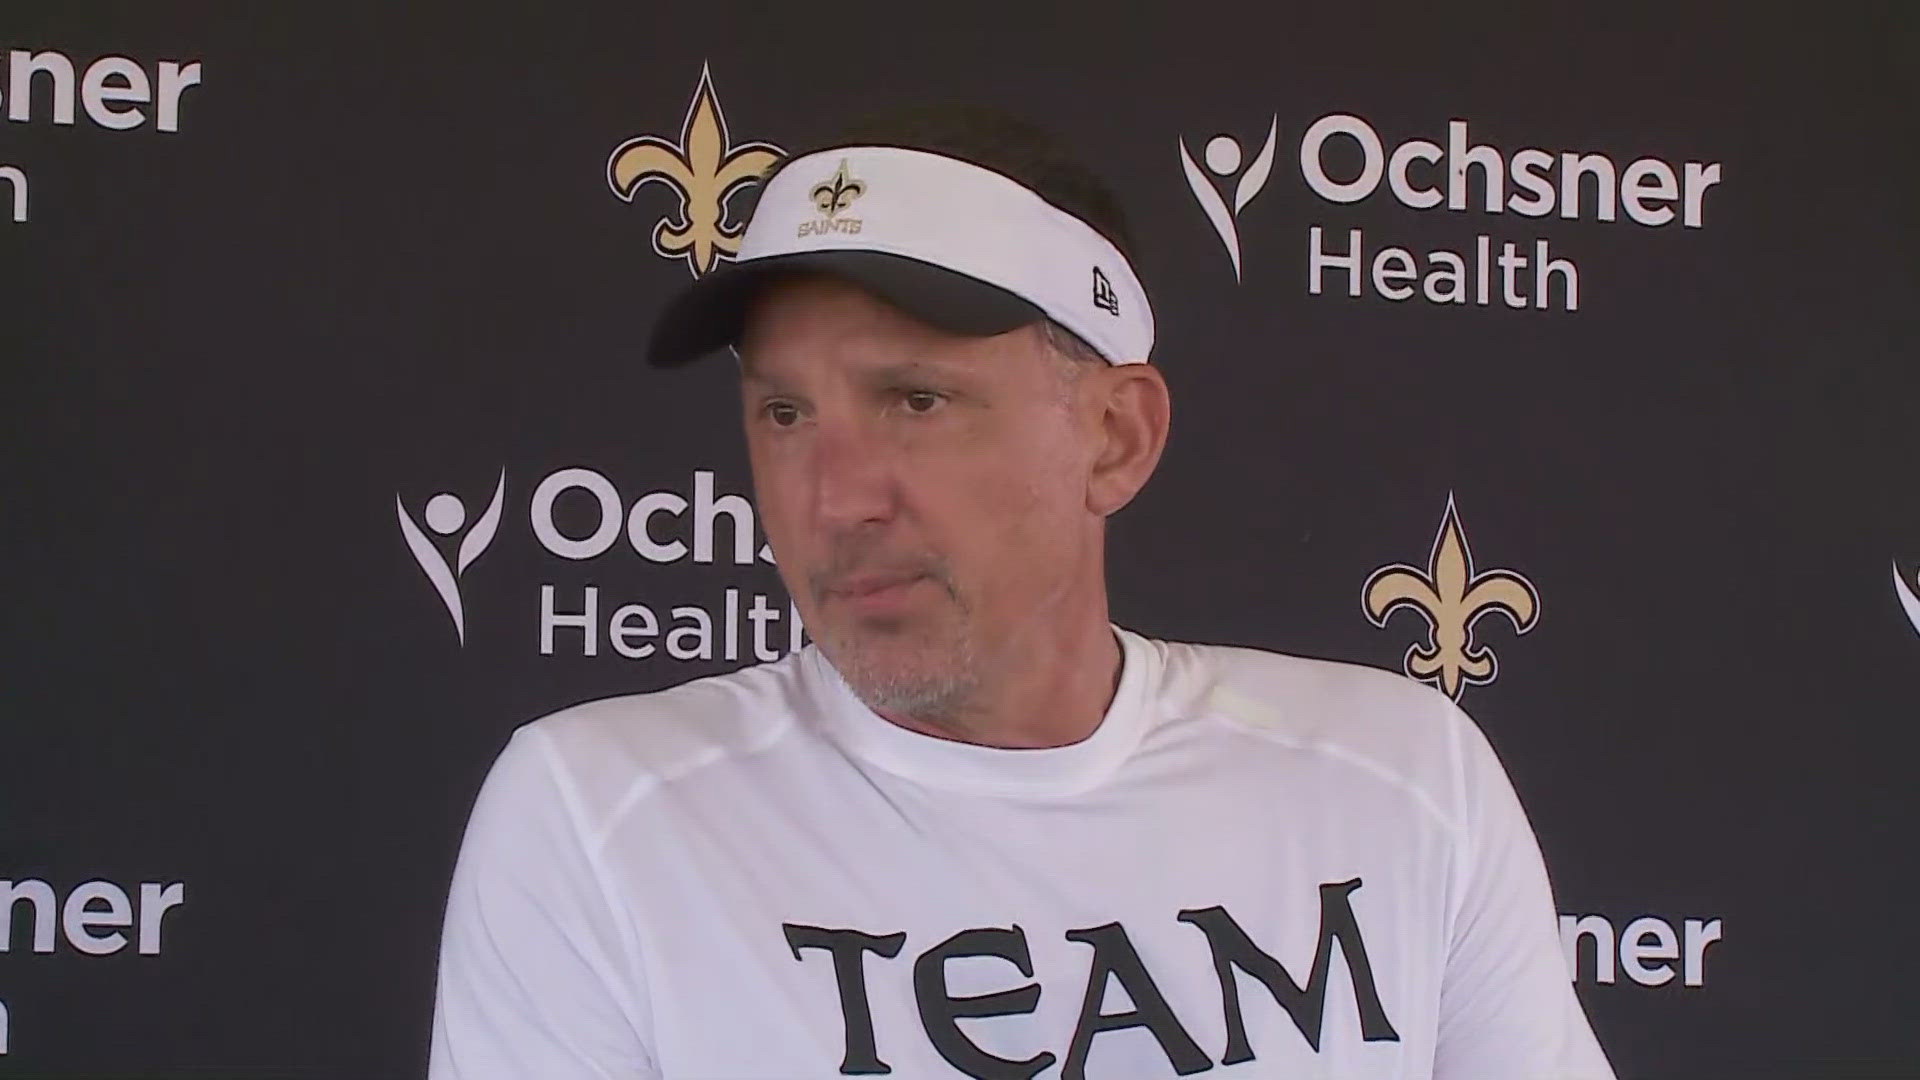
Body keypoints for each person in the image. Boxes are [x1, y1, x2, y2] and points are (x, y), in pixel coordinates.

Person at [427, 106, 1617, 1080]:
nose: (834, 499)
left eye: (915, 401)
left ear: (1114, 437)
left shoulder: (1400, 777)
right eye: (784, 414)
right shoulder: (602, 818)